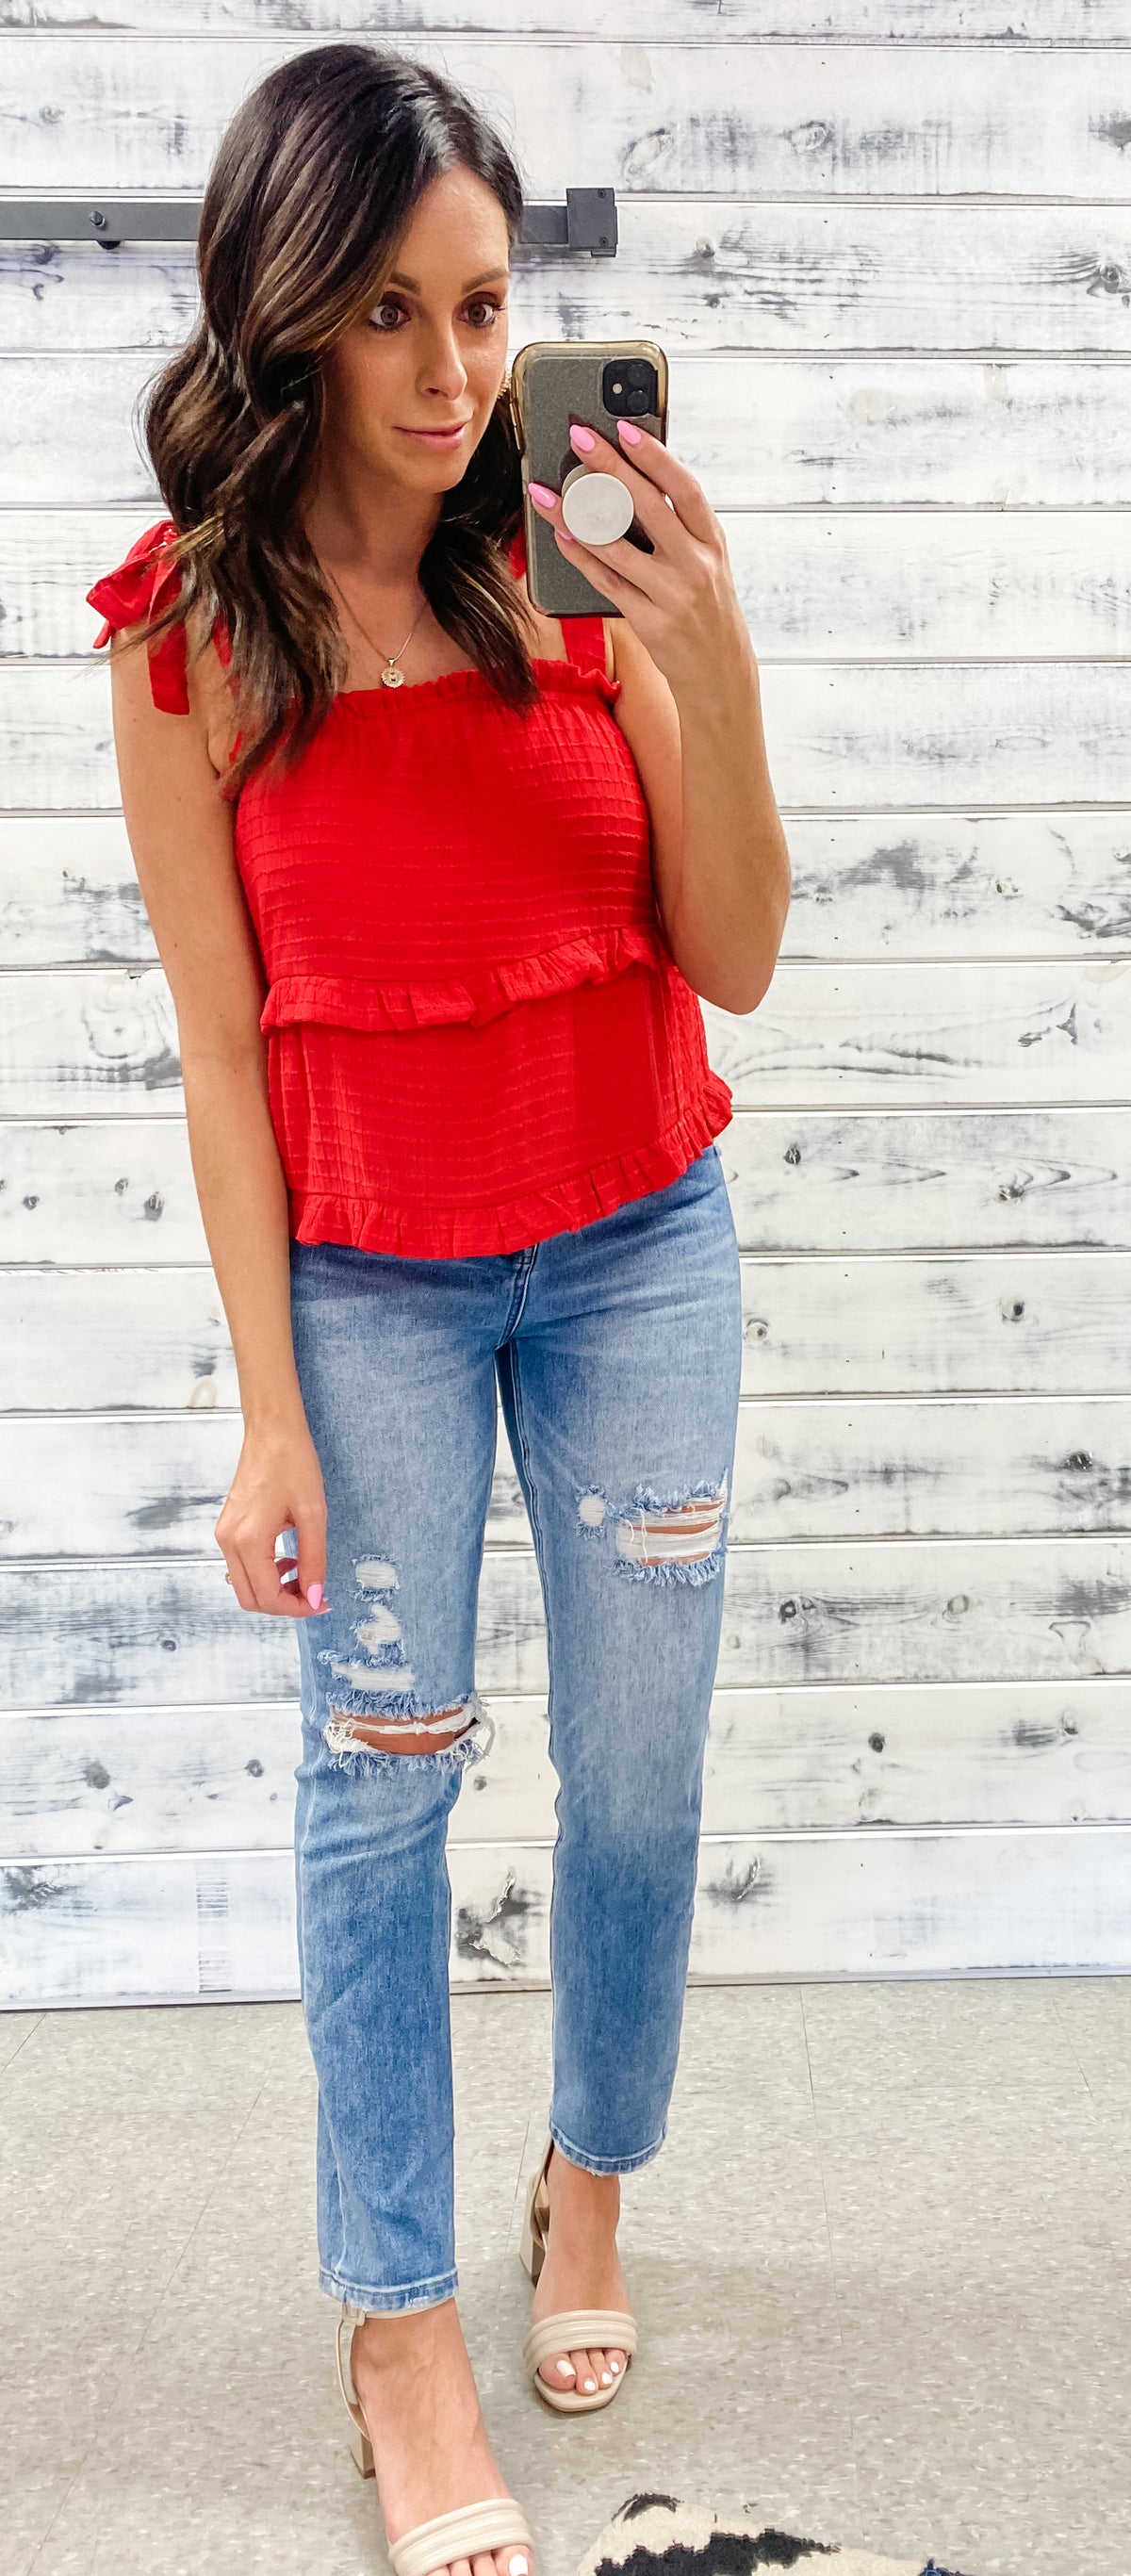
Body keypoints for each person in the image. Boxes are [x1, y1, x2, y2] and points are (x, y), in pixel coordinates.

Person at [86, 42, 790, 2576]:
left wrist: (710, 653)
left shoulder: (584, 571)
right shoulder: (184, 640)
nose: (452, 376)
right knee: (376, 1790)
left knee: (641, 1770)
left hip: (638, 1247)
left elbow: (735, 952)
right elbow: (215, 1041)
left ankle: (585, 2187)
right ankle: (399, 2326)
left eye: (483, 305)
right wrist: (268, 1415)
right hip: (371, 1284)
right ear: (282, 321)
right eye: (385, 314)